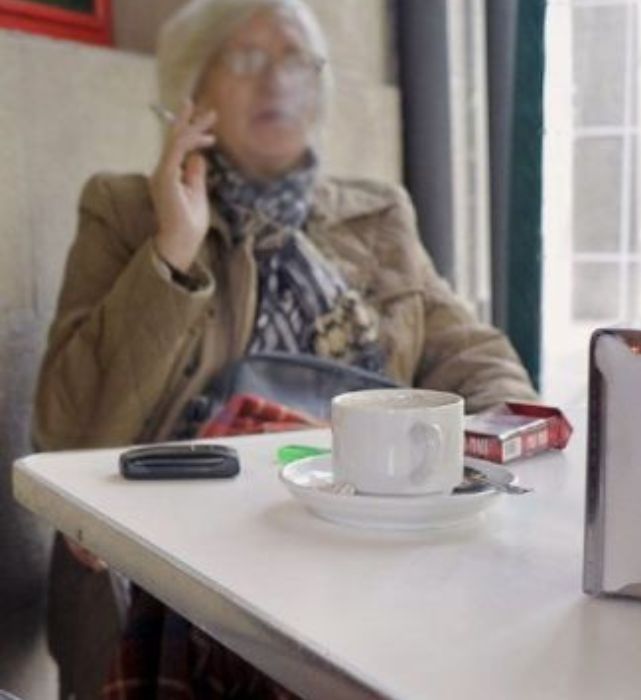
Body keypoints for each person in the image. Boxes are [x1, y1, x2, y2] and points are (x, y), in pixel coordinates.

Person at [33, 0, 537, 696]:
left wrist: (518, 429)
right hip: (186, 558)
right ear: (193, 93)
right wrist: (173, 253)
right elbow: (72, 428)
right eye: (246, 58)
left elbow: (467, 350)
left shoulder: (377, 214)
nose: (278, 81)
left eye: (297, 58)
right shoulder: (125, 210)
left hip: (363, 534)